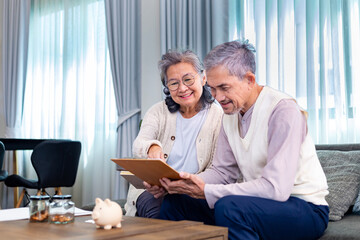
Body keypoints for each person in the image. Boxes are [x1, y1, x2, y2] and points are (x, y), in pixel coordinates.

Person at [147, 40, 329, 240]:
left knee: (230, 207)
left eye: (224, 88)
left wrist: (207, 191)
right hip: (259, 204)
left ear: (250, 80)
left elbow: (276, 189)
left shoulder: (283, 112)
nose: (218, 97)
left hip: (305, 208)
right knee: (177, 201)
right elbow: (222, 172)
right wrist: (183, 183)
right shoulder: (231, 114)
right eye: (213, 89)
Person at [124, 49, 223, 218]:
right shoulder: (158, 112)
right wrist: (152, 147)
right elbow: (139, 144)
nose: (182, 88)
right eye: (174, 83)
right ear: (167, 87)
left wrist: (184, 185)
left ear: (203, 77)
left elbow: (217, 169)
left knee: (180, 206)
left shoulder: (219, 117)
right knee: (158, 211)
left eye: (188, 79)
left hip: (193, 192)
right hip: (155, 191)